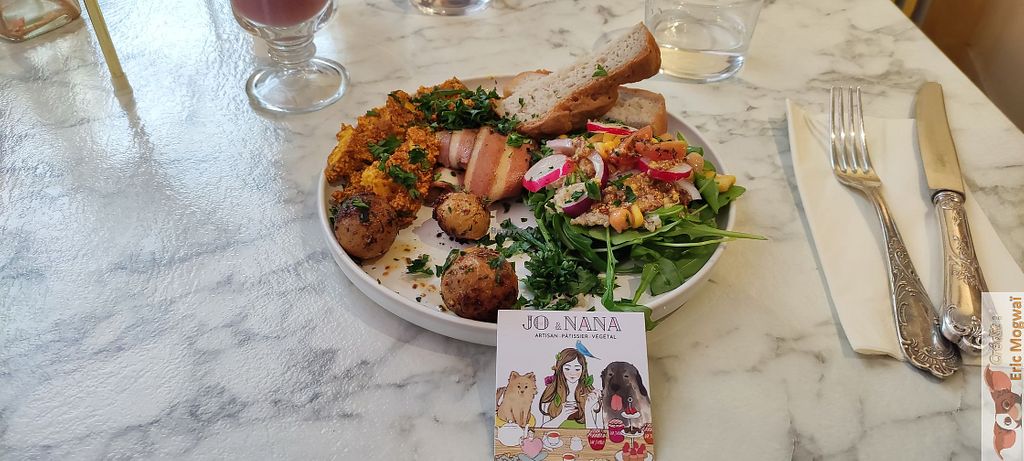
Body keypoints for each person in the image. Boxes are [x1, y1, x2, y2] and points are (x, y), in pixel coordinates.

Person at [538, 347, 601, 429]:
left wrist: (588, 409)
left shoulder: (591, 396)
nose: (572, 373)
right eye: (567, 368)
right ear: (560, 369)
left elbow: (595, 433)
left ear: (583, 370)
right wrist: (561, 417)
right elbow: (542, 431)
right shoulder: (551, 394)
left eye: (577, 369)